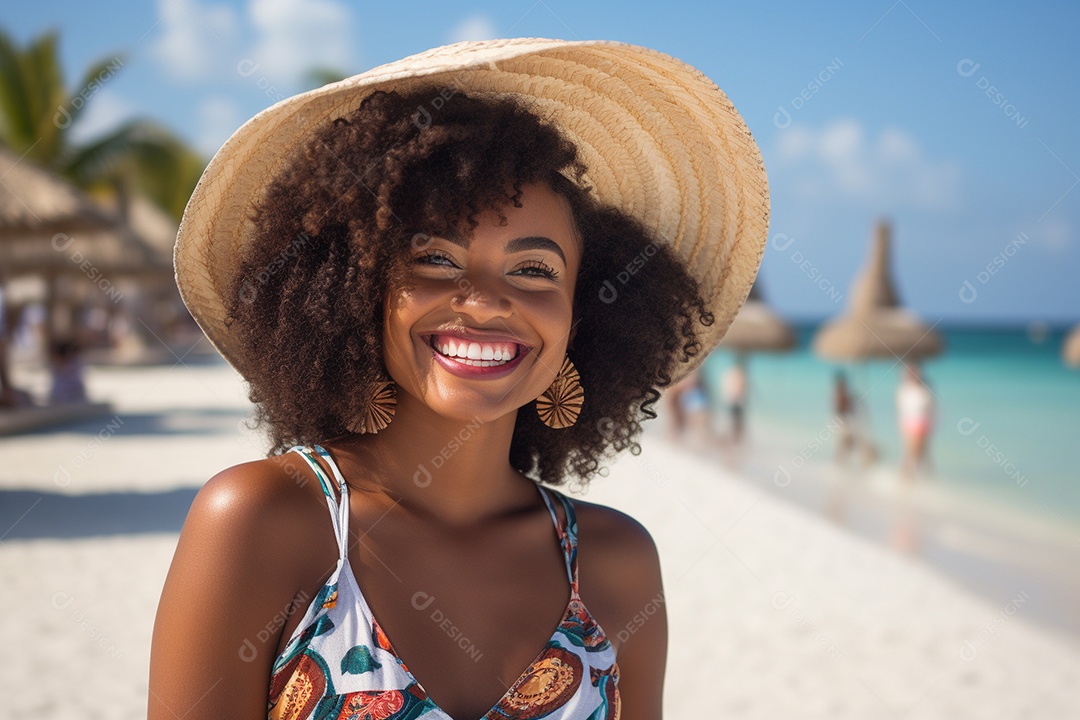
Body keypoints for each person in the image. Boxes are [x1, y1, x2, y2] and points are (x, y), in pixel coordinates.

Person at [150, 38, 768, 720]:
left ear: (580, 316)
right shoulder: (265, 521)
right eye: (435, 258)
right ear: (355, 290)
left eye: (534, 270)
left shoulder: (616, 564)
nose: (485, 299)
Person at [896, 362, 934, 478]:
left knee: (920, 452)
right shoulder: (905, 389)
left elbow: (930, 408)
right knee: (913, 452)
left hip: (921, 423)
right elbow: (902, 409)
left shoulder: (923, 389)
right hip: (911, 423)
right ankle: (908, 477)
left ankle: (914, 477)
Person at [720, 356, 748, 443]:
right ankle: (735, 439)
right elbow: (741, 387)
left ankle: (735, 439)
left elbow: (726, 386)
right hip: (735, 401)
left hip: (733, 400)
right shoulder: (738, 373)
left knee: (735, 421)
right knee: (736, 421)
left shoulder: (731, 372)